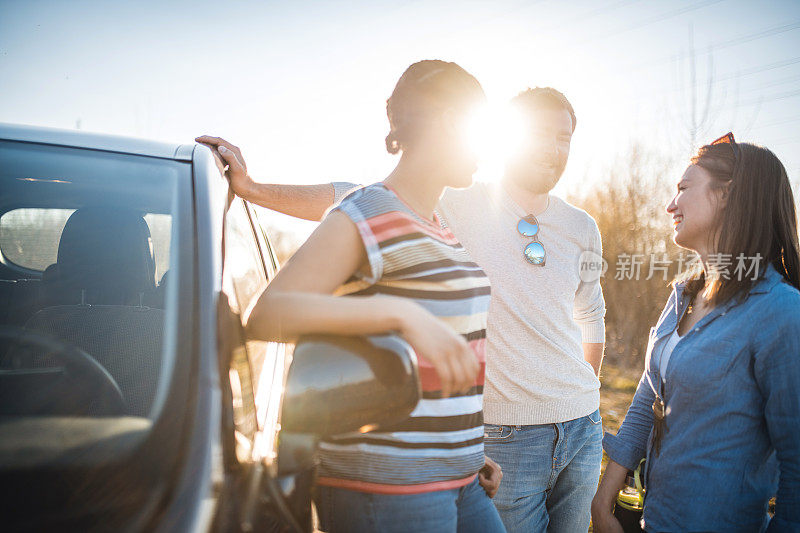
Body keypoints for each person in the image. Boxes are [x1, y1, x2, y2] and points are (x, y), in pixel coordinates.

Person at [201, 87, 606, 532]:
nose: (553, 148)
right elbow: (349, 200)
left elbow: (590, 314)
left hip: (581, 428)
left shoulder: (581, 227)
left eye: (563, 138)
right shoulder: (455, 201)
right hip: (507, 435)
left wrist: (586, 393)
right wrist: (254, 189)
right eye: (540, 134)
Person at [592, 134, 800, 532]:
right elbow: (648, 396)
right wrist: (603, 502)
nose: (671, 205)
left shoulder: (779, 311)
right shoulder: (683, 295)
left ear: (727, 195)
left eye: (683, 189)